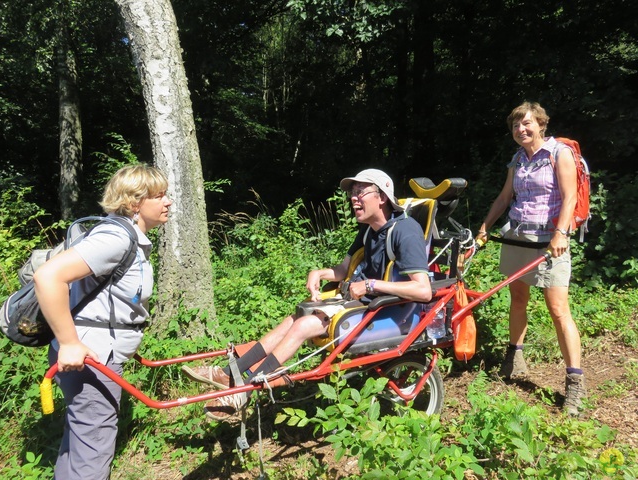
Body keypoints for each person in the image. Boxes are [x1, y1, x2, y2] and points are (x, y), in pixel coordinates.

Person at [186, 168, 433, 420]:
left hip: (387, 311)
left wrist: (371, 285)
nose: (353, 198)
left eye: (361, 192)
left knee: (303, 325)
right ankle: (231, 372)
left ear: (382, 197)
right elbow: (343, 269)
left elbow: (423, 290)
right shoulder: (368, 230)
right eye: (352, 193)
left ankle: (244, 391)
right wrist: (320, 273)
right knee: (293, 319)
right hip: (361, 303)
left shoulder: (406, 231)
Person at [33, 164, 172, 480]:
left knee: (81, 442)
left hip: (96, 355)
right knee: (92, 451)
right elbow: (48, 276)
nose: (168, 202)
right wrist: (69, 343)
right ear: (135, 202)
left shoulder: (125, 236)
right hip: (91, 357)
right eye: (159, 196)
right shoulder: (116, 237)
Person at [475, 101, 585, 416]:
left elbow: (570, 197)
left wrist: (561, 234)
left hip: (549, 240)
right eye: (515, 126)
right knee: (518, 297)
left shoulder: (558, 154)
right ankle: (515, 359)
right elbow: (505, 197)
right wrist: (484, 229)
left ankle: (575, 382)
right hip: (517, 236)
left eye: (526, 124)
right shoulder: (517, 159)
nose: (521, 130)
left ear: (540, 124)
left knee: (558, 309)